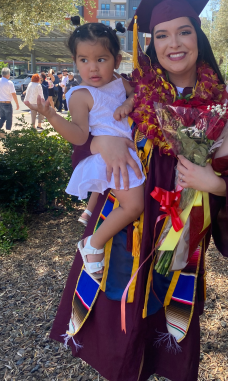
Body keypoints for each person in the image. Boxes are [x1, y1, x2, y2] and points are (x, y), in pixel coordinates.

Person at [49, 0, 228, 381]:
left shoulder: (224, 102)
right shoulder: (134, 91)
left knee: (168, 307)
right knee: (121, 304)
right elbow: (84, 138)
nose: (173, 43)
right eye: (161, 34)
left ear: (198, 36)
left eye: (184, 31)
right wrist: (97, 146)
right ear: (152, 42)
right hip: (126, 224)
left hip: (181, 228)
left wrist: (215, 184)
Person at [25, 22, 145, 279]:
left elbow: (139, 94)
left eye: (101, 59)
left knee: (130, 203)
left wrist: (129, 101)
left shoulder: (119, 81)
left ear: (116, 60)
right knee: (134, 206)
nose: (93, 67)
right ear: (75, 61)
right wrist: (52, 116)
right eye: (84, 59)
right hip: (108, 158)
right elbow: (79, 136)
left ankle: (91, 215)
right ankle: (93, 244)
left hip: (128, 150)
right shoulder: (80, 94)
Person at [0, 67, 19, 131]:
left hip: (0, 103)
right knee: (9, 119)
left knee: (2, 118)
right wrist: (17, 104)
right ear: (8, 74)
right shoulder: (9, 83)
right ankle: (8, 133)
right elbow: (13, 94)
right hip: (7, 104)